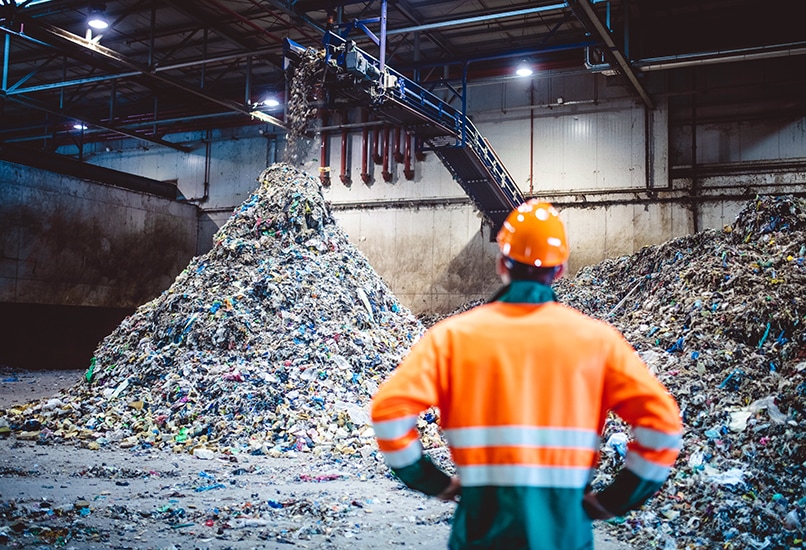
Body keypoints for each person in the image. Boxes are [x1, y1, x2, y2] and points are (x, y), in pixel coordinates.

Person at [370, 200, 682, 549]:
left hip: (480, 533)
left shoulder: (451, 338)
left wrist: (432, 481)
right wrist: (615, 499)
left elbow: (389, 412)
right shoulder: (599, 342)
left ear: (502, 263)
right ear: (560, 270)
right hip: (564, 534)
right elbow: (663, 427)